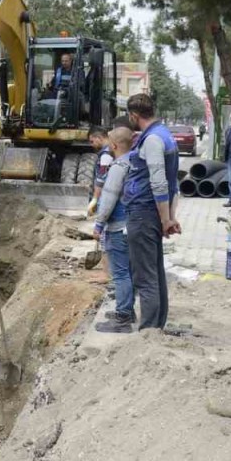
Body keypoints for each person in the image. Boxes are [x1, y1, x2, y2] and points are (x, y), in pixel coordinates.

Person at [121, 93, 180, 331]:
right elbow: (173, 181)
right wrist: (169, 217)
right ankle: (156, 327)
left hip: (143, 213)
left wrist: (167, 219)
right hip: (151, 214)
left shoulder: (153, 140)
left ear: (134, 115)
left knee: (145, 277)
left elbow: (160, 183)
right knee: (154, 272)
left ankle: (148, 332)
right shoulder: (164, 135)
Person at [92, 126, 136, 333]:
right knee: (128, 270)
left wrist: (99, 223)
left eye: (110, 142)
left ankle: (122, 318)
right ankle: (128, 309)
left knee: (120, 274)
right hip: (132, 225)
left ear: (115, 145)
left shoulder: (119, 167)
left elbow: (108, 198)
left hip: (118, 227)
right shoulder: (135, 162)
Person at [86, 126, 113, 216]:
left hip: (107, 195)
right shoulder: (113, 149)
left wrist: (95, 199)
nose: (91, 145)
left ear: (99, 138)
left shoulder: (106, 155)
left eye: (92, 141)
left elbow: (101, 179)